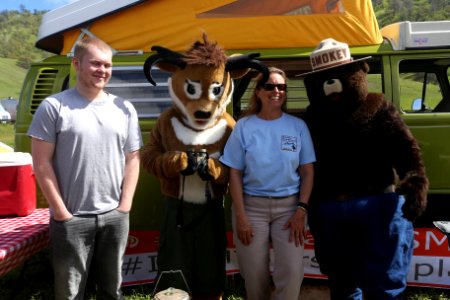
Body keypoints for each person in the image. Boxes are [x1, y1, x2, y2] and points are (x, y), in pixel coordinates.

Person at [302, 38, 428, 299]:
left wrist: (415, 183)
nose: (331, 84)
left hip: (377, 203)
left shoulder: (377, 106)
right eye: (324, 78)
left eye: (339, 75)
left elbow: (406, 149)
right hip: (330, 209)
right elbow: (304, 164)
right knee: (342, 284)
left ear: (357, 74)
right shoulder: (312, 117)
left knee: (384, 283)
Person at [28, 37, 142, 300]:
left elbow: (133, 158)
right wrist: (61, 212)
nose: (103, 70)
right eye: (96, 64)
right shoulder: (54, 107)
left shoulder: (124, 109)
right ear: (77, 64)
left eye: (108, 65)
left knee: (112, 290)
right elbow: (41, 163)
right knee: (69, 293)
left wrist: (125, 205)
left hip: (115, 215)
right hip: (72, 217)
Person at [220, 67, 316, 300]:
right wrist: (241, 215)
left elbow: (307, 171)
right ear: (258, 92)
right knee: (254, 274)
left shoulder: (297, 126)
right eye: (271, 86)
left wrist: (302, 209)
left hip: (290, 209)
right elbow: (234, 173)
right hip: (252, 208)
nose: (277, 91)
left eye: (281, 87)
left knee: (292, 272)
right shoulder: (244, 126)